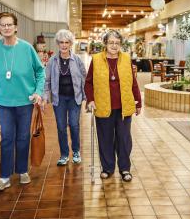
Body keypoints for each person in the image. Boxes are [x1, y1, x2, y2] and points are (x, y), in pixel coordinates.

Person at [0, 12, 45, 191]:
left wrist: (38, 92)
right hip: (4, 102)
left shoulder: (27, 48)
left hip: (25, 101)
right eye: (2, 25)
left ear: (16, 27)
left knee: (23, 137)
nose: (6, 28)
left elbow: (40, 71)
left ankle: (22, 170)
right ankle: (4, 177)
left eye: (9, 24)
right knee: (7, 138)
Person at [85, 29, 142, 182]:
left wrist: (138, 101)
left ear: (120, 44)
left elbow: (133, 82)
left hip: (124, 106)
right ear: (105, 43)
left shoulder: (126, 58)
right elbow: (88, 82)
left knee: (124, 139)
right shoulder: (96, 59)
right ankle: (108, 168)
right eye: (111, 42)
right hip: (103, 106)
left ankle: (124, 168)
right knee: (105, 138)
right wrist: (90, 99)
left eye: (117, 43)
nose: (114, 46)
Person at [43, 29, 86, 166]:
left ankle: (76, 151)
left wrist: (87, 98)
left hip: (75, 98)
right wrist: (45, 97)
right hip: (59, 99)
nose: (64, 45)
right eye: (61, 42)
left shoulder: (77, 60)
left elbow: (84, 79)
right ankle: (64, 154)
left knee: (74, 125)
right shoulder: (52, 61)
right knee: (61, 127)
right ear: (58, 44)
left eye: (67, 42)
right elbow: (46, 81)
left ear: (71, 44)